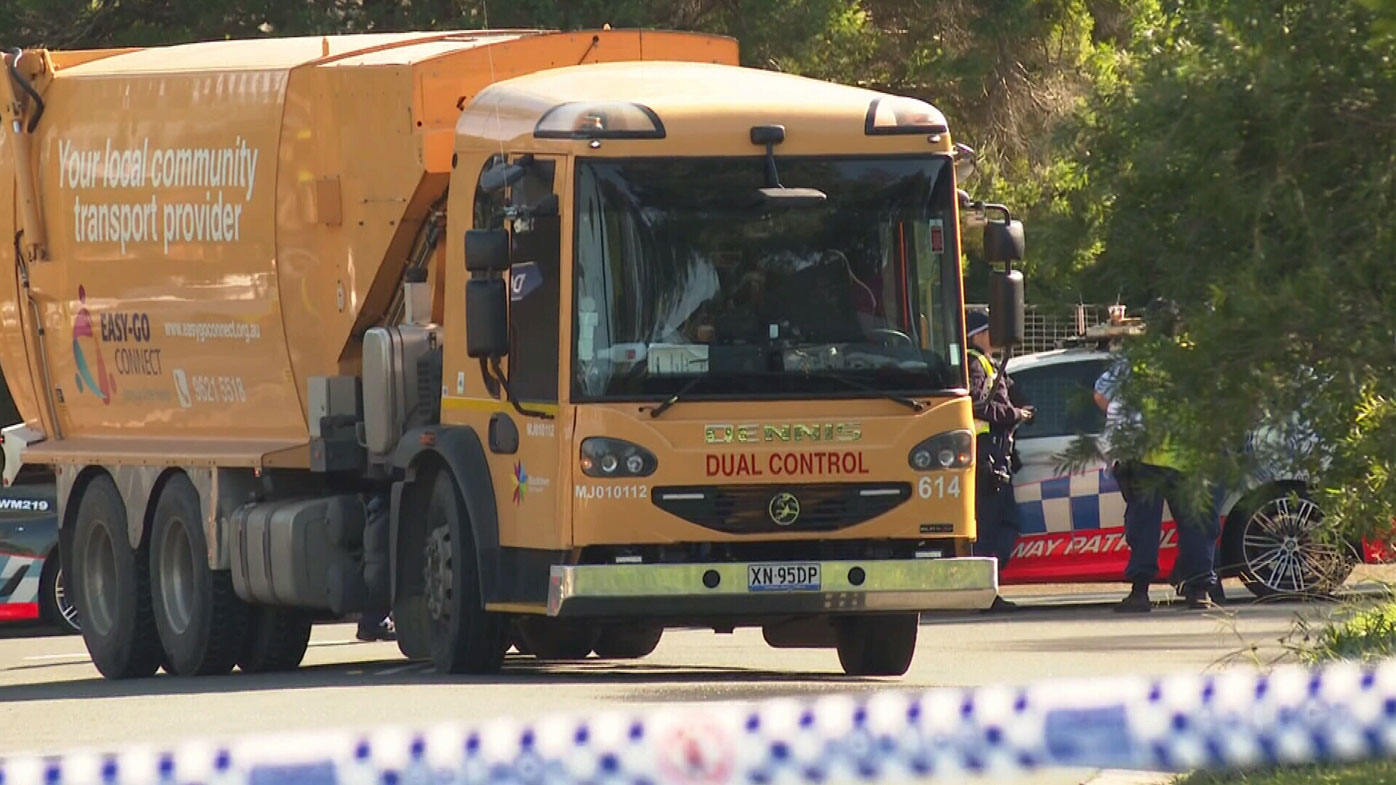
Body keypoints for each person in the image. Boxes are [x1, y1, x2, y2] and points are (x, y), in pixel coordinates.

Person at [1093, 300, 1222, 613]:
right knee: (1196, 526)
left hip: (1145, 456)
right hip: (1188, 458)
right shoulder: (1196, 358)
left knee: (1143, 528)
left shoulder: (1138, 360)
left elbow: (1101, 394)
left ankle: (1140, 593)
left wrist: (1123, 420)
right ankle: (1199, 591)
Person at [966, 310, 1035, 612]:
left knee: (1007, 523)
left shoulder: (989, 364)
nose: (997, 336)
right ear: (978, 334)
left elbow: (1007, 395)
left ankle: (988, 590)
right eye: (991, 330)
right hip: (986, 455)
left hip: (997, 455)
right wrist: (1014, 415)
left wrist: (1022, 408)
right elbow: (977, 404)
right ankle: (983, 594)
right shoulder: (974, 363)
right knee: (991, 526)